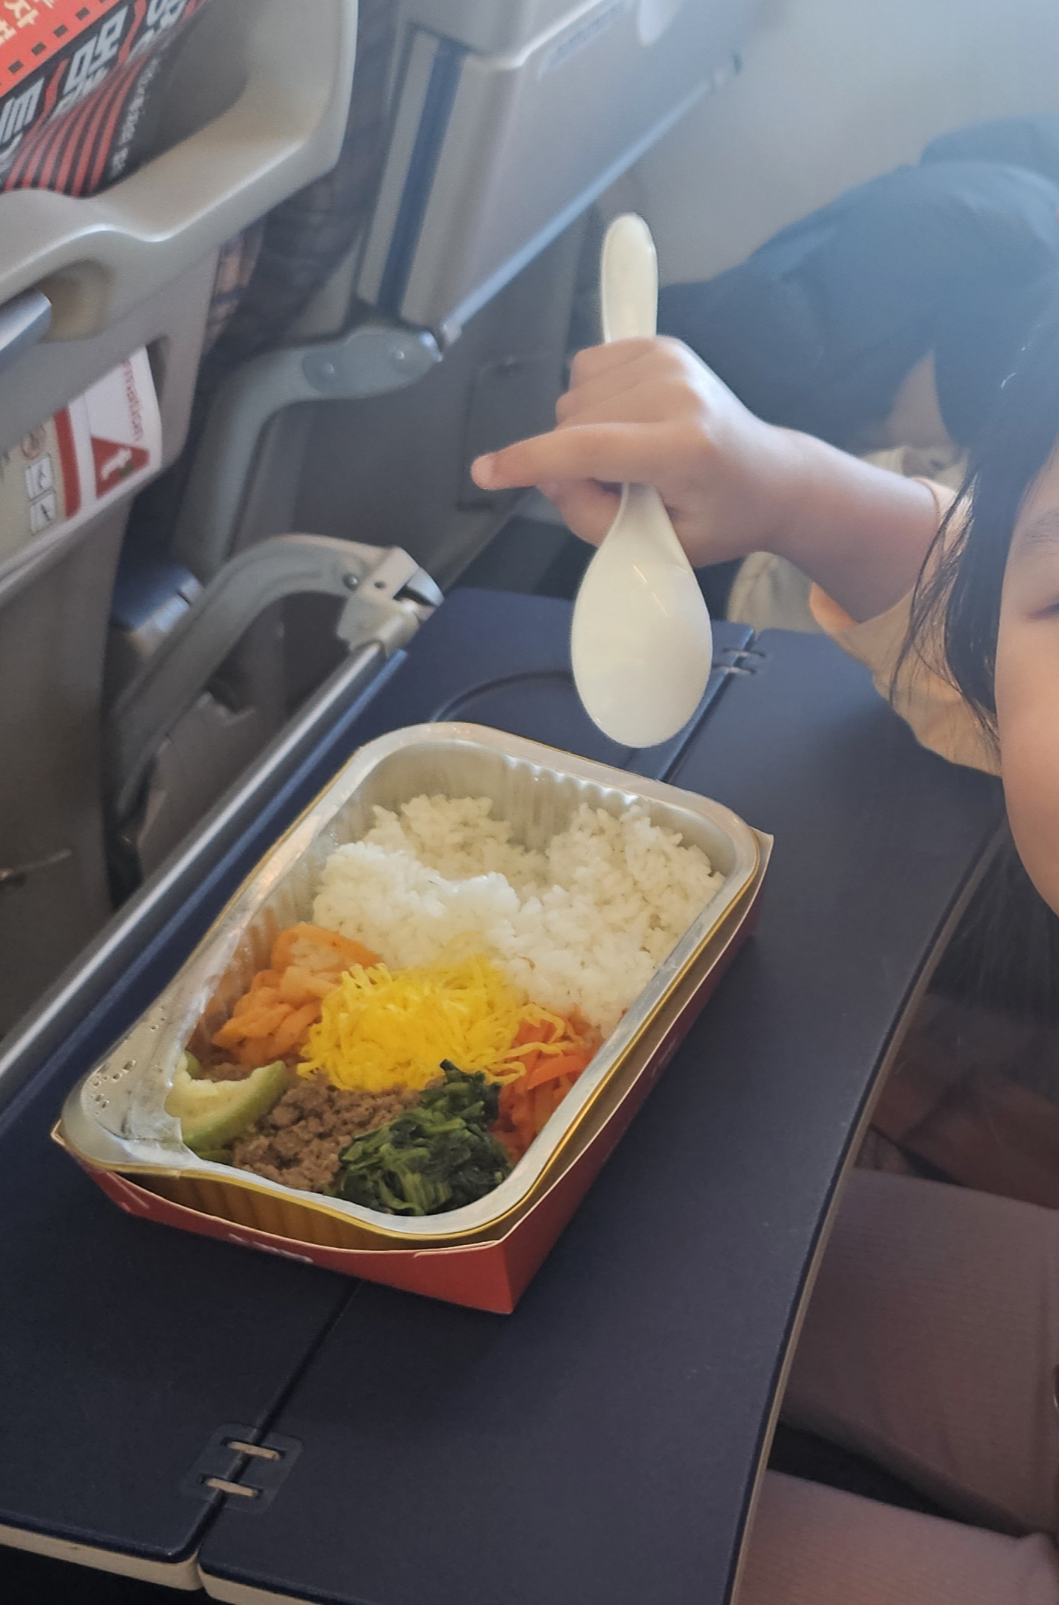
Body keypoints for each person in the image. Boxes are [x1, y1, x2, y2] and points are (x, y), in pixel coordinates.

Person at [471, 311, 1059, 1603]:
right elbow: (979, 632)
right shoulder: (1000, 652)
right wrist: (785, 486)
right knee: (661, 1252)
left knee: (510, 1526)